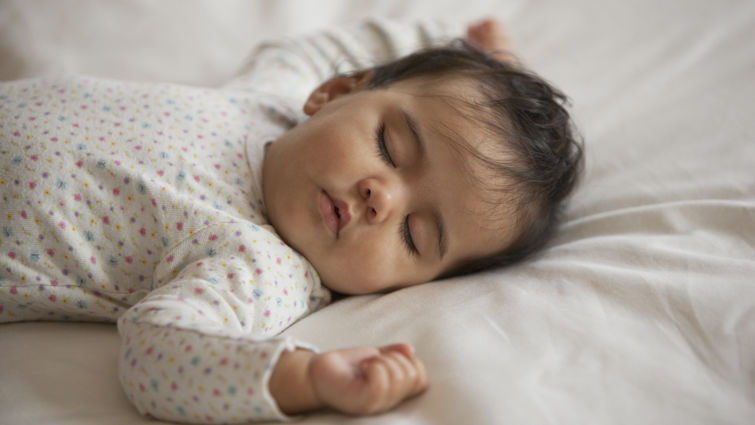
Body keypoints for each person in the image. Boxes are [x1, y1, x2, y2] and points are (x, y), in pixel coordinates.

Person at [0, 18, 582, 423]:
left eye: (414, 234)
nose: (383, 199)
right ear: (335, 92)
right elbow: (339, 45)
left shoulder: (260, 266)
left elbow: (159, 355)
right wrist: (489, 65)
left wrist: (305, 379)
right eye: (389, 145)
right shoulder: (270, 100)